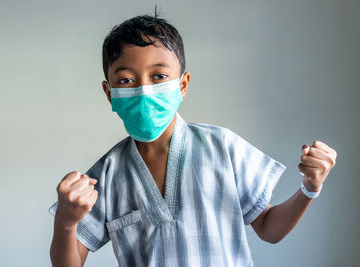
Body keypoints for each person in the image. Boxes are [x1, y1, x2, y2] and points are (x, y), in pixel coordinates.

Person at [48, 10, 337, 267]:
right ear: (109, 93)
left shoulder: (222, 148)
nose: (144, 90)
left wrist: (309, 189)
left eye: (159, 76)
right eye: (126, 80)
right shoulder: (107, 175)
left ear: (183, 84)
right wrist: (65, 221)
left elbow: (269, 229)